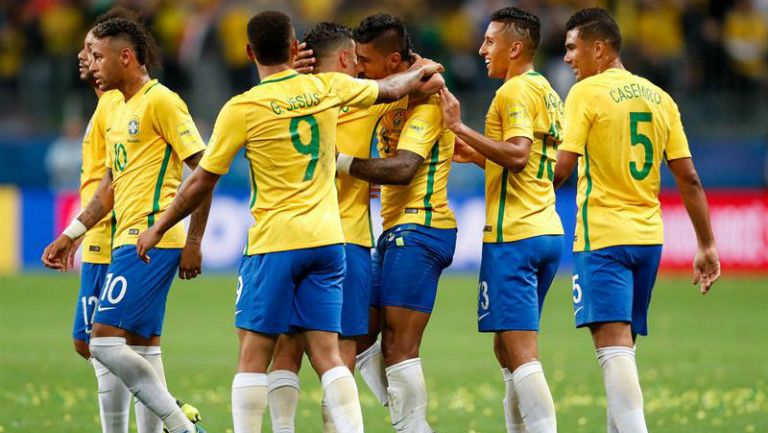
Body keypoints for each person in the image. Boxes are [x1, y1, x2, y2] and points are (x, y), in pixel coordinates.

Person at [134, 10, 444, 433]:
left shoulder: (244, 106)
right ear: (295, 47)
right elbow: (411, 79)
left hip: (275, 240)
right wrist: (421, 65)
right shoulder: (333, 89)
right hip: (333, 239)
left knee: (260, 351)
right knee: (333, 354)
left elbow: (201, 180)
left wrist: (162, 225)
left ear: (248, 52)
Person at [553, 8, 721, 433]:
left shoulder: (586, 94)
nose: (568, 57)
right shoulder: (661, 98)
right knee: (623, 354)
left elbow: (561, 170)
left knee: (612, 353)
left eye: (573, 48)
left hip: (602, 239)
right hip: (648, 240)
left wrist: (507, 162)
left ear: (599, 48)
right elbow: (690, 178)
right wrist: (706, 244)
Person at [42, 16, 211, 433]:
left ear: (126, 57)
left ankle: (180, 425)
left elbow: (204, 171)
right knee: (142, 346)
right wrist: (71, 234)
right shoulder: (118, 108)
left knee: (100, 341)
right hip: (126, 238)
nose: (91, 63)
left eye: (98, 56)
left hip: (153, 238)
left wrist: (194, 240)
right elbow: (110, 187)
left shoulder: (162, 101)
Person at [266, 21, 413, 433]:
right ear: (346, 57)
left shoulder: (277, 98)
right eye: (357, 58)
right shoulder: (365, 98)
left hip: (286, 235)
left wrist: (285, 74)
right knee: (340, 353)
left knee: (286, 347)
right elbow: (427, 74)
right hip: (345, 240)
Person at [439, 7, 563, 433]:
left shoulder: (512, 93)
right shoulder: (545, 89)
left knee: (522, 351)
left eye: (489, 41)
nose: (481, 49)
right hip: (545, 228)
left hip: (515, 233)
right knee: (506, 349)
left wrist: (460, 127)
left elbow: (518, 154)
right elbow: (527, 161)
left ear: (514, 47)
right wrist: (474, 152)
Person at [334, 13, 457, 433]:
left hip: (422, 228)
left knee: (400, 347)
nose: (359, 67)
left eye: (365, 59)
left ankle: (411, 425)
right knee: (358, 335)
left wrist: (342, 164)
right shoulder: (397, 91)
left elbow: (404, 168)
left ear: (392, 63)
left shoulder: (428, 100)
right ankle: (411, 422)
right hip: (391, 230)